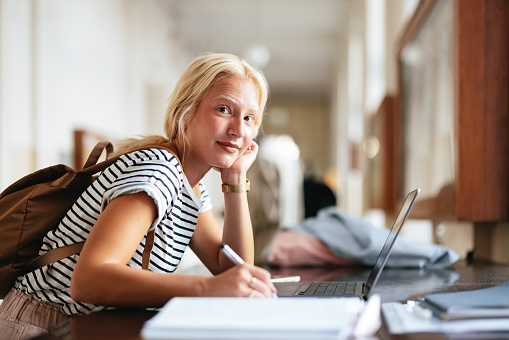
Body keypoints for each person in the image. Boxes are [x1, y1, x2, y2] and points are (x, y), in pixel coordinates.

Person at [0, 53, 277, 339]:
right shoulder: (158, 171)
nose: (238, 130)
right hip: (43, 325)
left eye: (249, 118)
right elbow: (89, 280)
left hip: (86, 324)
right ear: (186, 109)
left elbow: (232, 270)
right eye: (223, 109)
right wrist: (205, 289)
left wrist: (234, 179)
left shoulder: (191, 185)